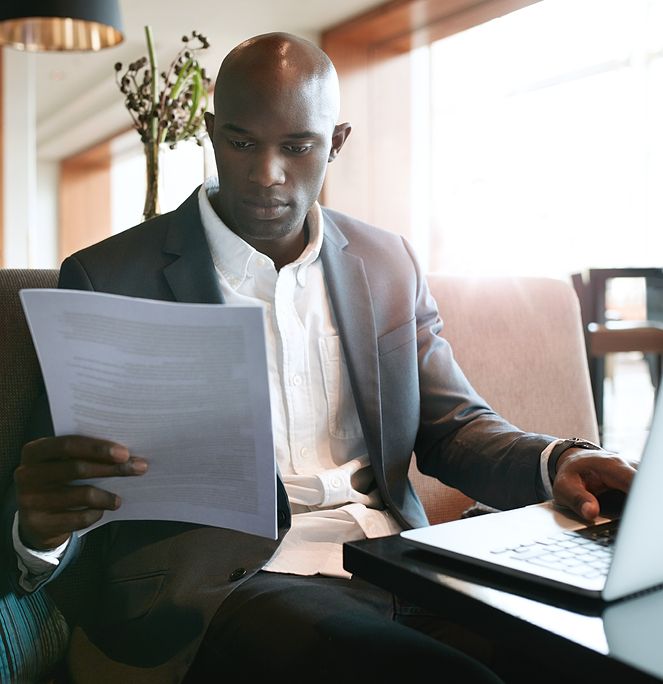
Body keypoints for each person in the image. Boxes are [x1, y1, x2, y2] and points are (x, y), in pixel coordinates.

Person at [5, 32, 635, 684]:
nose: (265, 174)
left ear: (335, 141)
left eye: (297, 147)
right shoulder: (109, 275)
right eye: (242, 143)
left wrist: (558, 459)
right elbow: (52, 488)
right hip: (225, 588)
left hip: (399, 563)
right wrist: (39, 530)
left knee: (597, 656)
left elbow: (453, 429)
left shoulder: (387, 263)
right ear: (210, 130)